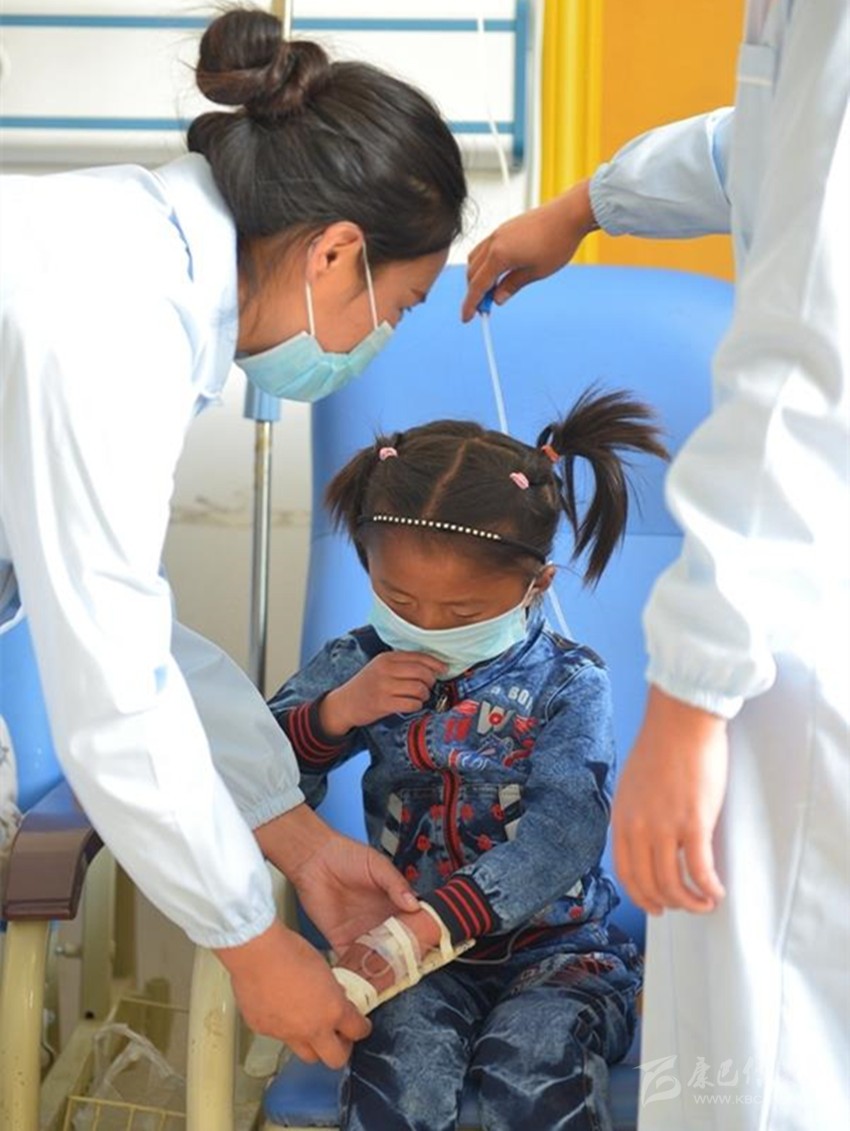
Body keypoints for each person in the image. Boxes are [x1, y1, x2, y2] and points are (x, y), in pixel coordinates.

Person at [0, 5, 466, 1068]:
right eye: (399, 305)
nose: (382, 338)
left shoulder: (127, 255)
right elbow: (113, 684)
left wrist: (292, 836)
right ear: (337, 252)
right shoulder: (111, 315)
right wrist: (251, 942)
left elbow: (129, 626)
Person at [463, 2, 849, 1127]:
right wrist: (585, 205)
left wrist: (687, 701)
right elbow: (766, 140)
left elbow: (800, 379)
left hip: (794, 622)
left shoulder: (570, 688)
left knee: (767, 1071)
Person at [268, 390, 668, 1131]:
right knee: (399, 1069)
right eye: (398, 599)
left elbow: (564, 833)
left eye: (461, 614)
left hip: (560, 954)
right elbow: (259, 779)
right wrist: (335, 713)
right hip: (409, 958)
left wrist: (433, 925)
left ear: (536, 586)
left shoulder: (569, 683)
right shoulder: (357, 661)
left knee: (536, 1062)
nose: (426, 626)